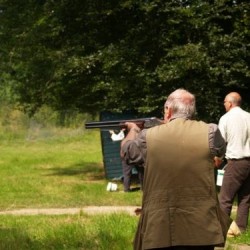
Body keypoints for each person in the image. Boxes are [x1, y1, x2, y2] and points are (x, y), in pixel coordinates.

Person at [120, 88, 231, 250]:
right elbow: (220, 151)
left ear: (168, 110)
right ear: (192, 111)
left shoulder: (147, 136)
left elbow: (127, 153)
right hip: (201, 225)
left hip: (160, 225)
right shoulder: (211, 131)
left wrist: (133, 130)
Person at [218, 92, 250, 236]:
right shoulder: (249, 117)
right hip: (249, 162)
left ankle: (221, 230)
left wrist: (217, 158)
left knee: (225, 199)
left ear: (230, 103)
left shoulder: (226, 118)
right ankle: (241, 229)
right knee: (245, 198)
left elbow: (220, 143)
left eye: (225, 102)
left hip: (235, 162)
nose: (224, 104)